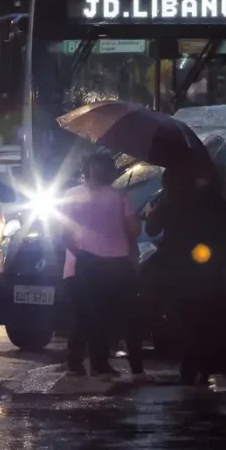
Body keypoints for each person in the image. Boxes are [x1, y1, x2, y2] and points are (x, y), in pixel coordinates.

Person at [145, 166, 226, 385]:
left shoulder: (169, 204)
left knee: (187, 320)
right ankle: (208, 363)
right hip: (209, 268)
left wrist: (152, 213)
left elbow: (152, 229)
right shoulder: (213, 200)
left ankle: (192, 366)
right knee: (208, 317)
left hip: (180, 269)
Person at [61, 153, 143, 378]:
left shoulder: (70, 196)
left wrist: (79, 252)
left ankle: (75, 361)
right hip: (112, 264)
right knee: (104, 314)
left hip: (80, 263)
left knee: (83, 314)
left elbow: (64, 233)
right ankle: (98, 362)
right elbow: (134, 231)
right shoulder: (121, 197)